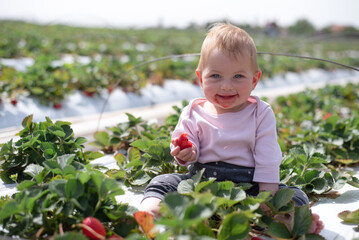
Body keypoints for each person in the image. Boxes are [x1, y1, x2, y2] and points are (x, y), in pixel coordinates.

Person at [139, 22, 323, 234]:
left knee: (294, 193)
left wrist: (267, 198)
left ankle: (284, 217)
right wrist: (184, 154)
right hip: (201, 182)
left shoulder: (260, 113)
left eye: (238, 76)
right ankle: (152, 210)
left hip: (250, 185)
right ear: (200, 78)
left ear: (254, 80)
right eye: (215, 76)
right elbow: (184, 148)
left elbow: (267, 157)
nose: (226, 85)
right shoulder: (192, 112)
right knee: (162, 182)